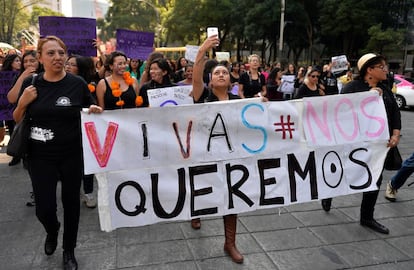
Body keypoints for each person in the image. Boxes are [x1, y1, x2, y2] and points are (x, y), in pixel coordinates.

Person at [12, 35, 103, 270]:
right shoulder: (31, 84)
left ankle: (69, 250)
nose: (57, 58)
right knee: (44, 208)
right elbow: (17, 118)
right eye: (51, 53)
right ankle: (52, 230)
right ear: (40, 58)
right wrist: (23, 102)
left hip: (72, 155)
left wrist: (93, 109)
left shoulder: (77, 84)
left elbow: (89, 110)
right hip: (40, 157)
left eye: (61, 53)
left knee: (71, 204)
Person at [328, 53, 401, 234]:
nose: (386, 70)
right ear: (369, 70)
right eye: (382, 67)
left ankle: (367, 217)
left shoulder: (385, 87)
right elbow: (342, 112)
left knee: (375, 179)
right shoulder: (352, 88)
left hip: (379, 145)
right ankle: (329, 193)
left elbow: (395, 113)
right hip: (355, 144)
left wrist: (395, 134)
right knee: (345, 171)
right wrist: (368, 97)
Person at [191, 34, 243, 264]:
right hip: (205, 155)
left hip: (231, 157)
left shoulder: (239, 101)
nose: (221, 74)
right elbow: (195, 77)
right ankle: (196, 211)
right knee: (202, 189)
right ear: (210, 81)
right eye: (216, 73)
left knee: (231, 197)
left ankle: (230, 242)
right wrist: (202, 51)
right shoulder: (202, 97)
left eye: (225, 72)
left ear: (230, 80)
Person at [65, 54, 99, 208]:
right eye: (67, 63)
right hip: (65, 131)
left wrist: (91, 108)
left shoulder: (81, 83)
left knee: (86, 162)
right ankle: (73, 190)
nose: (67, 66)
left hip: (83, 130)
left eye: (72, 64)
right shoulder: (57, 82)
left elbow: (91, 103)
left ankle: (89, 192)